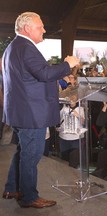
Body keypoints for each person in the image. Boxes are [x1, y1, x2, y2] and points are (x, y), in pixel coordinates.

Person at [2, 12, 79, 208]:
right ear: (27, 28)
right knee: (31, 155)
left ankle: (12, 187)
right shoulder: (26, 47)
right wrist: (67, 65)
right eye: (40, 26)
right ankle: (29, 197)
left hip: (20, 111)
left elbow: (32, 78)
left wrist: (60, 77)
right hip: (31, 113)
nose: (44, 29)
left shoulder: (13, 48)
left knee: (23, 151)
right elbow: (44, 73)